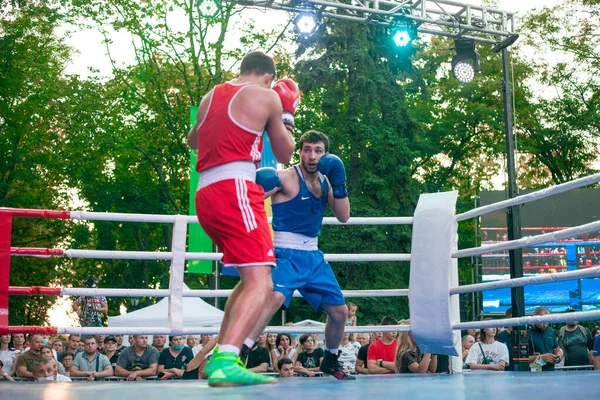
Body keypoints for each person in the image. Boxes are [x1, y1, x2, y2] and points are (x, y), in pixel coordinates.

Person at [187, 50, 296, 387]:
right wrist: (286, 110)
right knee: (263, 284)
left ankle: (222, 353)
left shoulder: (210, 96)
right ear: (268, 77)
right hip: (235, 188)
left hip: (205, 194)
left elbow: (193, 140)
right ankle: (227, 359)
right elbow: (285, 153)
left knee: (250, 277)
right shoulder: (267, 96)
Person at [248, 130, 352, 380]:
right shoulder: (284, 178)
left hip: (313, 257)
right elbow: (248, 200)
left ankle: (330, 360)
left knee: (340, 312)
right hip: (285, 252)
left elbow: (343, 216)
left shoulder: (328, 182)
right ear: (300, 152)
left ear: (325, 154)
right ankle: (236, 356)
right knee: (272, 298)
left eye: (318, 150)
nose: (312, 155)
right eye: (307, 149)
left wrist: (339, 184)